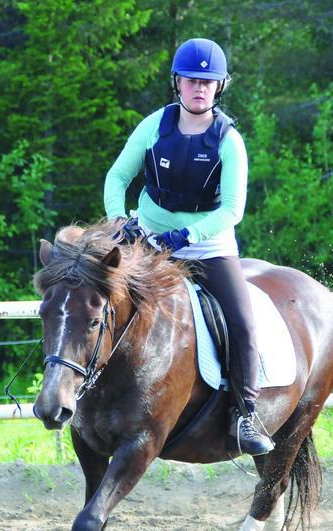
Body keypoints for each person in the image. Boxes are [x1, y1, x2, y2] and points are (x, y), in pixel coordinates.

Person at [103, 37, 274, 455]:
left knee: (243, 322)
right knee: (97, 298)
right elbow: (116, 178)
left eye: (208, 82)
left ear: (220, 87)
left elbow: (232, 210)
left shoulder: (229, 140)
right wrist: (119, 221)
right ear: (177, 83)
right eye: (192, 80)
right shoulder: (152, 126)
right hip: (147, 241)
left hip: (207, 247)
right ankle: (87, 392)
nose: (200, 88)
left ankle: (245, 413)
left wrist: (188, 235)